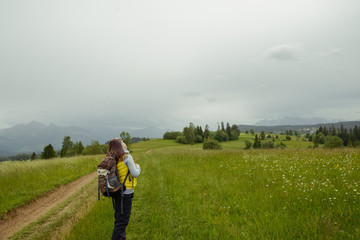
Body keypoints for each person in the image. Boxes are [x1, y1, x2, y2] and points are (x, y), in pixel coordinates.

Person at [108, 138, 141, 240]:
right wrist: (138, 167)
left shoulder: (114, 157)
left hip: (117, 191)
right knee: (122, 223)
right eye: (122, 141)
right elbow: (135, 173)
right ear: (120, 145)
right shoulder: (127, 157)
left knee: (119, 219)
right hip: (126, 193)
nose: (124, 142)